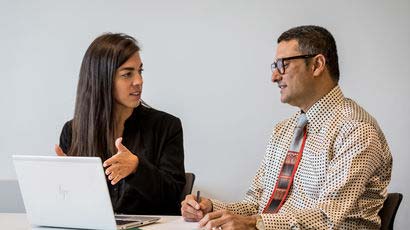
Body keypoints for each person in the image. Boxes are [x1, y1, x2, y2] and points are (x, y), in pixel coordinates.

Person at [181, 25, 392, 229]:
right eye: (275, 66)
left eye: (284, 64)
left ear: (317, 65)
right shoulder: (284, 130)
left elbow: (328, 219)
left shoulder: (356, 131)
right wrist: (210, 209)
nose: (274, 76)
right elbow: (257, 204)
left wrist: (254, 224)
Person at [55, 33, 186, 215]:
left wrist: (137, 168)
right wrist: (62, 183)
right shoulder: (73, 131)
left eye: (140, 71)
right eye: (127, 74)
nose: (139, 81)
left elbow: (174, 198)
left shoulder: (167, 126)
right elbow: (71, 208)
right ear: (102, 79)